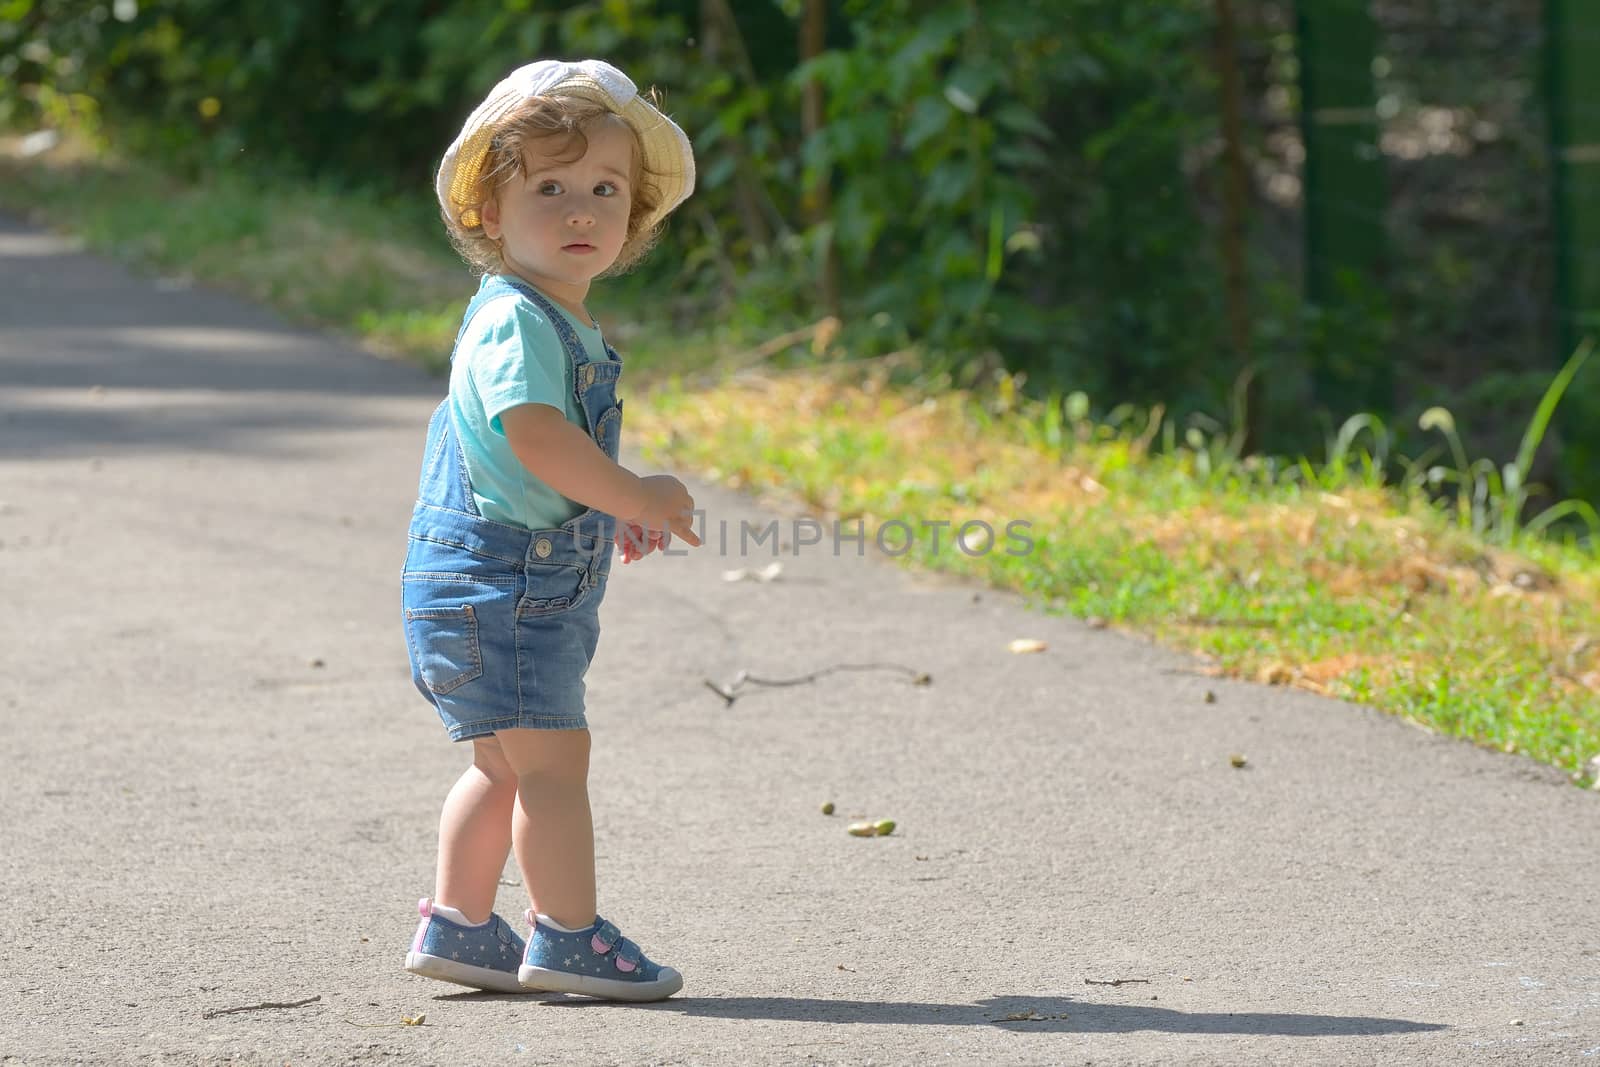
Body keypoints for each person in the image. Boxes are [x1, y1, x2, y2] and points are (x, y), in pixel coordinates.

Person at [400, 59, 701, 1002]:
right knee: (553, 771)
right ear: (490, 213)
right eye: (550, 188)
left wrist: (610, 504)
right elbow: (532, 436)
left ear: (634, 214)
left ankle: (458, 923)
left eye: (605, 190)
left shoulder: (546, 318)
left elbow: (544, 457)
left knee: (501, 763)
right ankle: (569, 935)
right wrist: (635, 492)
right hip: (510, 587)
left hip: (492, 584)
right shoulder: (518, 322)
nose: (581, 211)